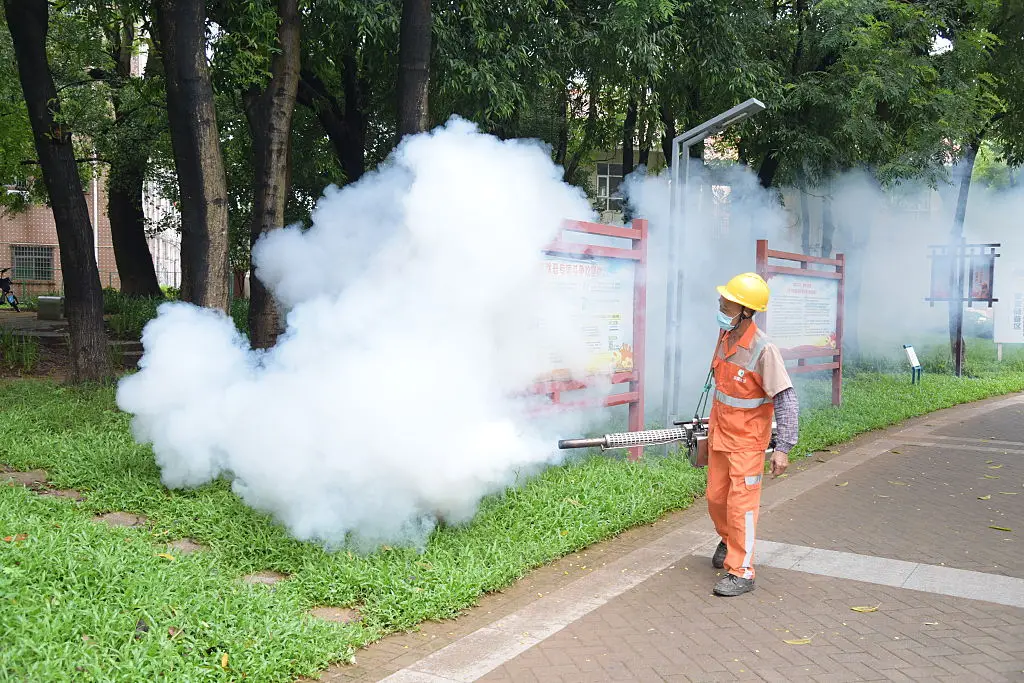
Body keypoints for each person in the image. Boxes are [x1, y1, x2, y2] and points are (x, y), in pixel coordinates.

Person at [706, 272, 798, 597]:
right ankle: (729, 540)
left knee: (741, 506)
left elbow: (786, 398)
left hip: (747, 443)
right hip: (720, 437)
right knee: (716, 499)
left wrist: (784, 446)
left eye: (726, 301)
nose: (720, 302)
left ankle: (742, 572)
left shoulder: (763, 349)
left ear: (745, 310)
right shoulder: (726, 335)